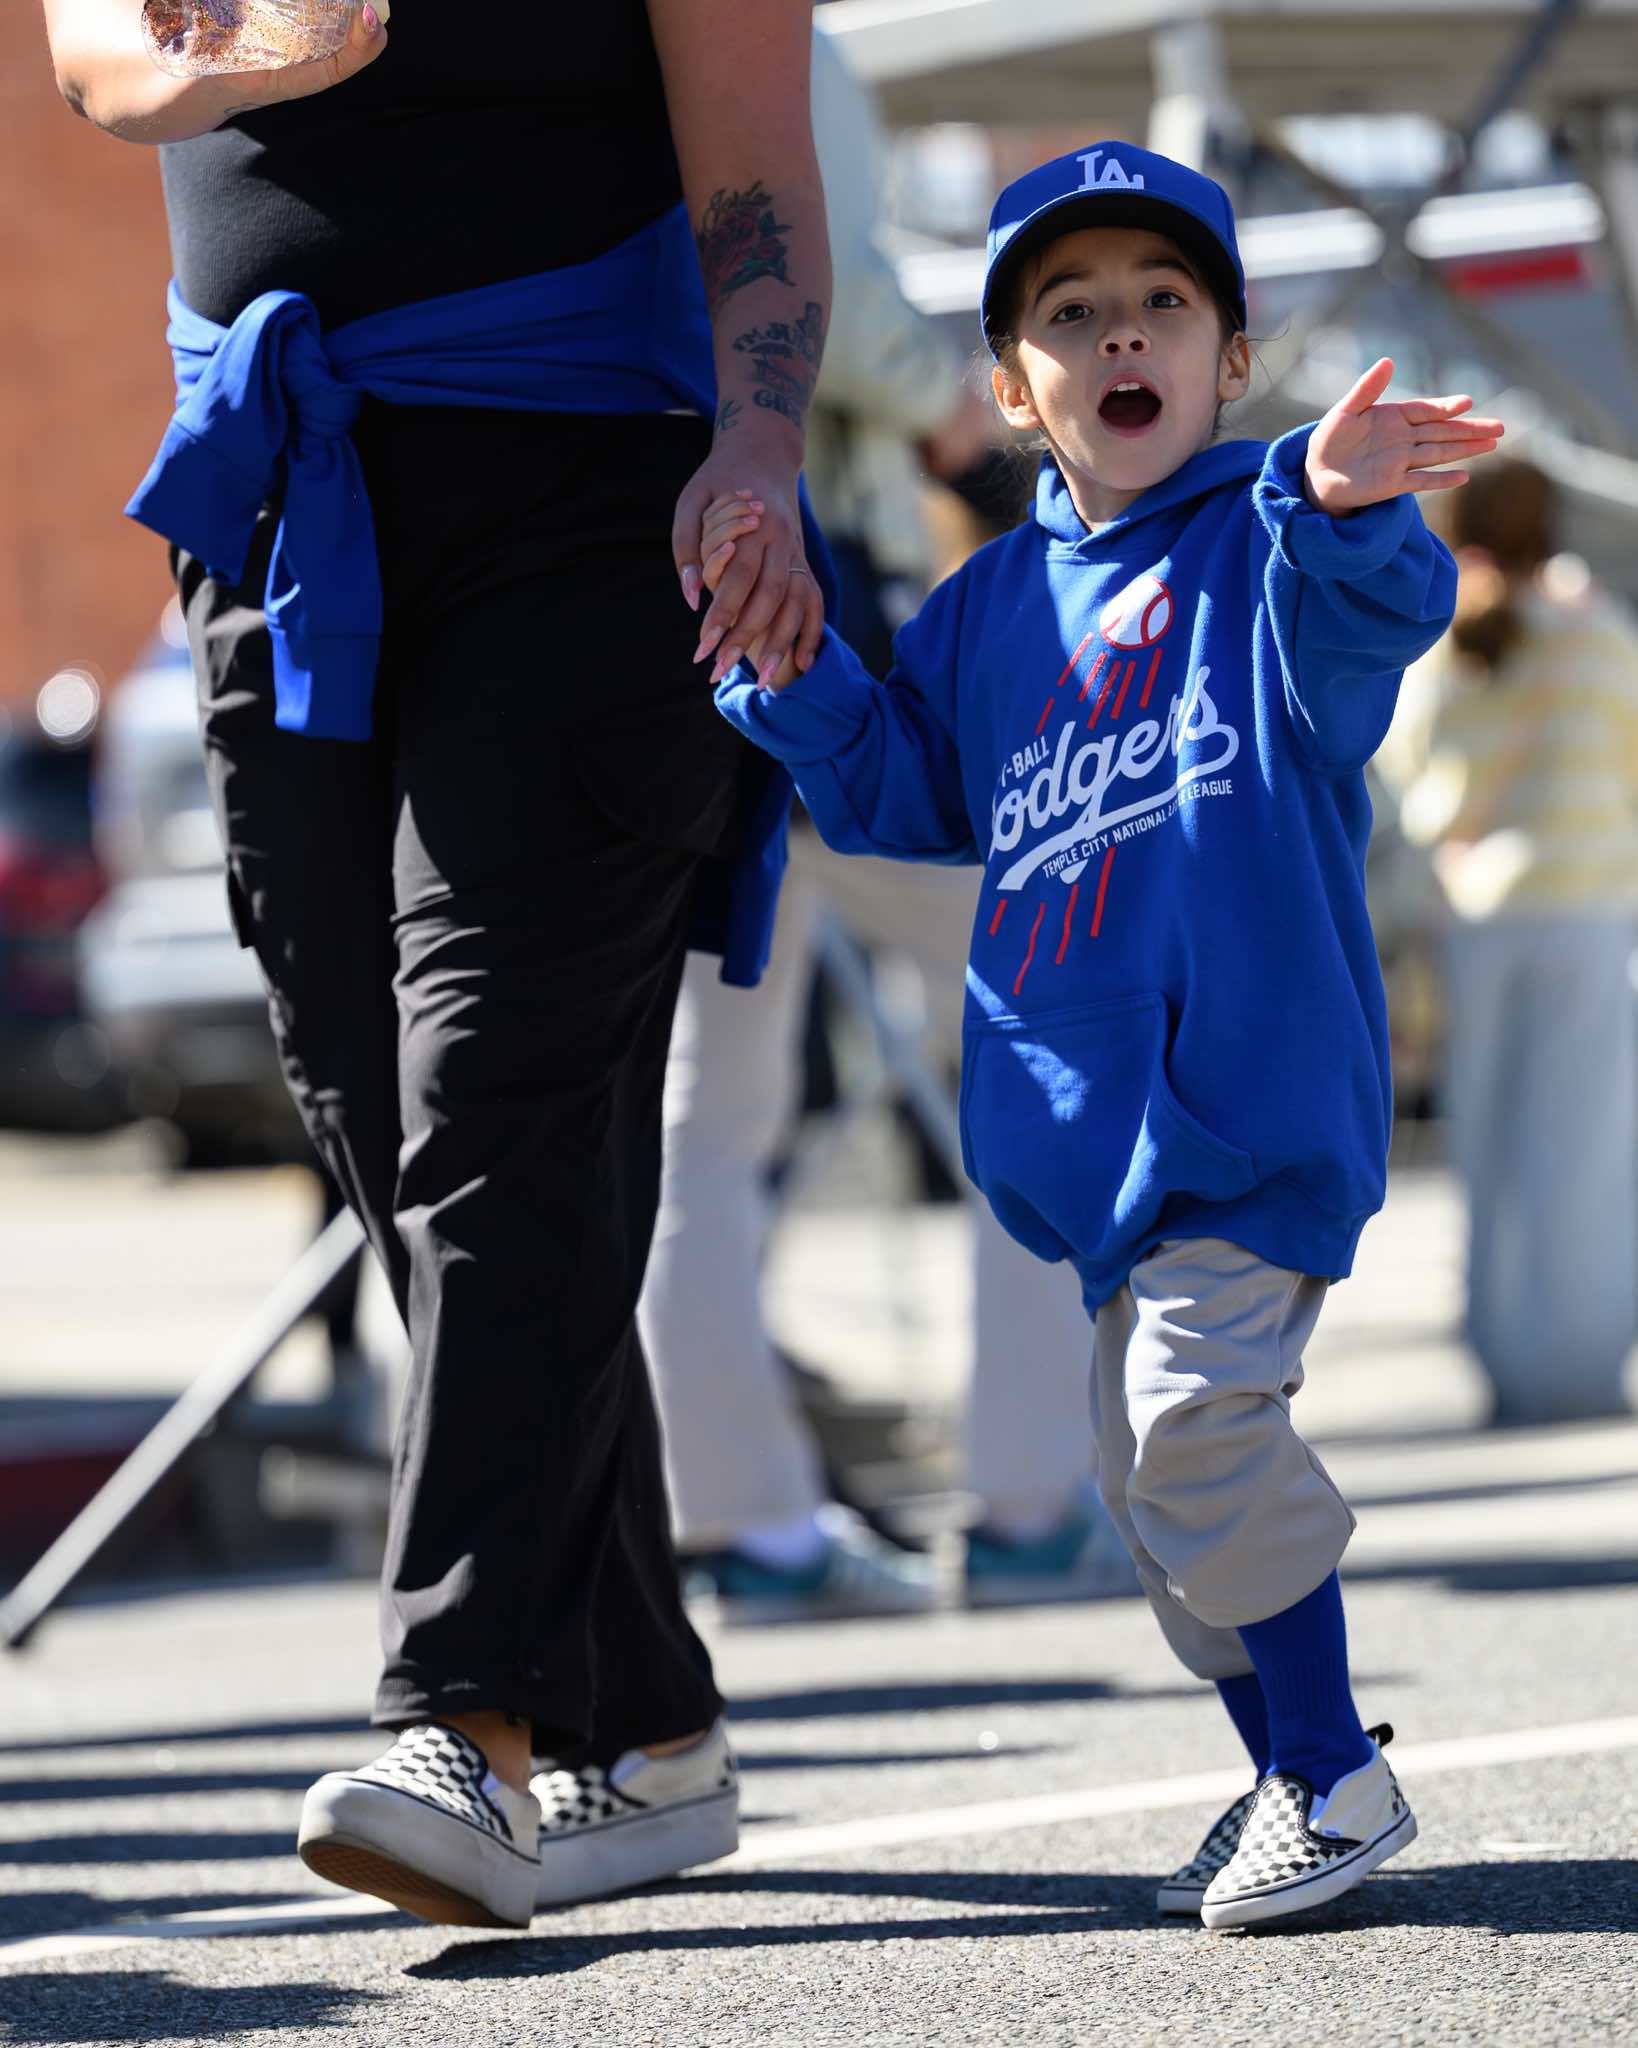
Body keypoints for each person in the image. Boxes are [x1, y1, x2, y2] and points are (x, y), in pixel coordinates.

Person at [43, 0, 831, 1929]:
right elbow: (94, 61)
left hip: (586, 491)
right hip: (274, 492)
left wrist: (758, 438)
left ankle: (459, 1722)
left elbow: (751, 182)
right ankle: (646, 1718)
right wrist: (271, 64)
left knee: (497, 1086)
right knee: (384, 1109)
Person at [701, 140, 1501, 1929]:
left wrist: (1342, 509)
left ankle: (1330, 1768)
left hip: (1247, 1109)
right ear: (1008, 389)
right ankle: (1284, 1770)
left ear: (1230, 357)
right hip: (1091, 1148)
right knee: (1147, 1489)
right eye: (1067, 313)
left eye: (1161, 301)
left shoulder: (1264, 537)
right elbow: (903, 792)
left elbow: (1367, 627)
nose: (1117, 334)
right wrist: (793, 668)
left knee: (1193, 1425)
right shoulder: (986, 606)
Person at [640, 28, 1127, 1621]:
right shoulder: (778, 37)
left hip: (645, 630)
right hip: (818, 624)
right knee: (1049, 1025)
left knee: (700, 1122)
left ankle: (748, 1528)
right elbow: (818, 295)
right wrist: (950, 419)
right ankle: (1030, 1498)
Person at [1380, 459, 1638, 1423]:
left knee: (1488, 1145)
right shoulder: (1598, 630)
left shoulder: (1443, 641)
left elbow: (1404, 770)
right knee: (1585, 1145)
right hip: (1589, 912)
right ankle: (1581, 1363)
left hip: (1479, 920)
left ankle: (1507, 1361)